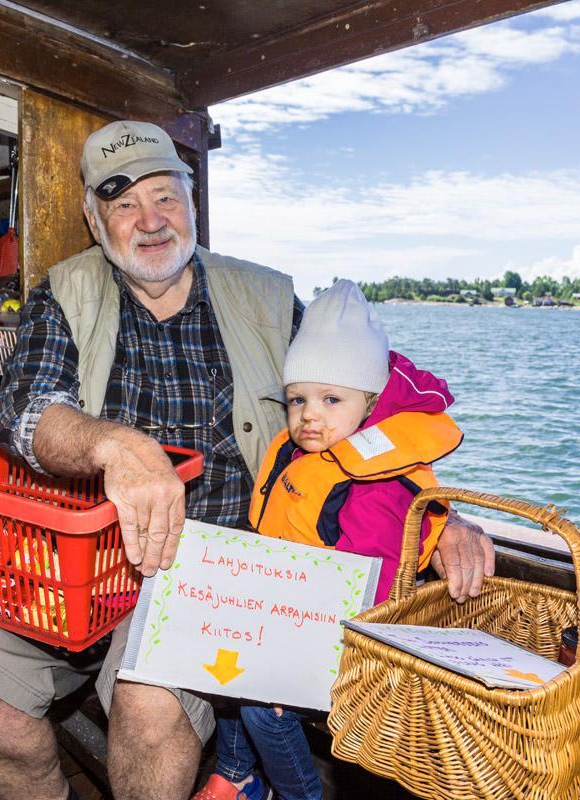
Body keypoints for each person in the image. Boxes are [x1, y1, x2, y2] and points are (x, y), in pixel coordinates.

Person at [0, 119, 496, 800]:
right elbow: (21, 412)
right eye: (124, 204)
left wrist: (437, 518)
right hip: (61, 567)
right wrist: (111, 444)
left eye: (166, 196)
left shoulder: (271, 298)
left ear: (194, 205)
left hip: (210, 574)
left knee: (151, 705)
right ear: (97, 223)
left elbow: (373, 401)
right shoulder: (61, 293)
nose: (150, 221)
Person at [196, 280, 461, 800]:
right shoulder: (304, 455)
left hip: (356, 638)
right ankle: (237, 775)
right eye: (297, 400)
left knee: (262, 707)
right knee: (221, 660)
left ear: (371, 403)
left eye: (331, 398)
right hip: (289, 612)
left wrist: (293, 654)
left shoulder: (378, 485)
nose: (308, 414)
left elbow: (369, 592)